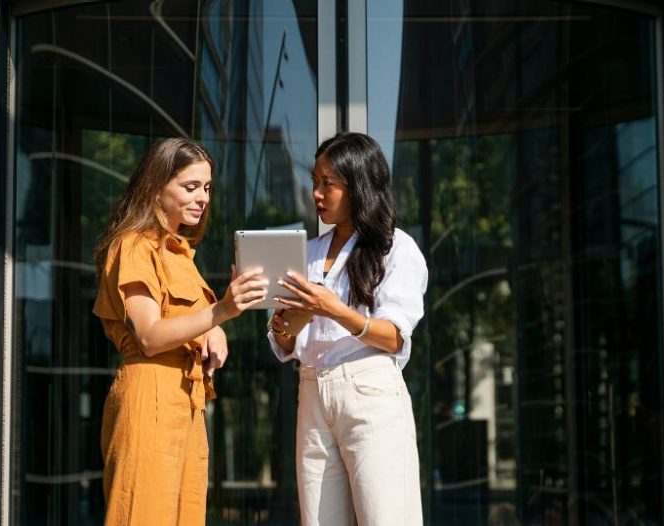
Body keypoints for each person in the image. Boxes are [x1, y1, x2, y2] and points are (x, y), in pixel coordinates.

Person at [93, 138, 268, 526]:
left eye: (206, 187)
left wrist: (212, 331)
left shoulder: (182, 254)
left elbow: (188, 321)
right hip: (150, 396)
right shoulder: (135, 245)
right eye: (190, 187)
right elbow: (151, 336)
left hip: (185, 402)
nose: (202, 197)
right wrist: (220, 311)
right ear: (156, 187)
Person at [267, 132, 428, 525]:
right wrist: (287, 324)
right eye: (314, 182)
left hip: (369, 389)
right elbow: (283, 342)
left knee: (386, 516)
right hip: (311, 389)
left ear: (358, 186)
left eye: (328, 184)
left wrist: (334, 310)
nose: (317, 194)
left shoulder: (396, 248)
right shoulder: (305, 253)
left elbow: (394, 335)